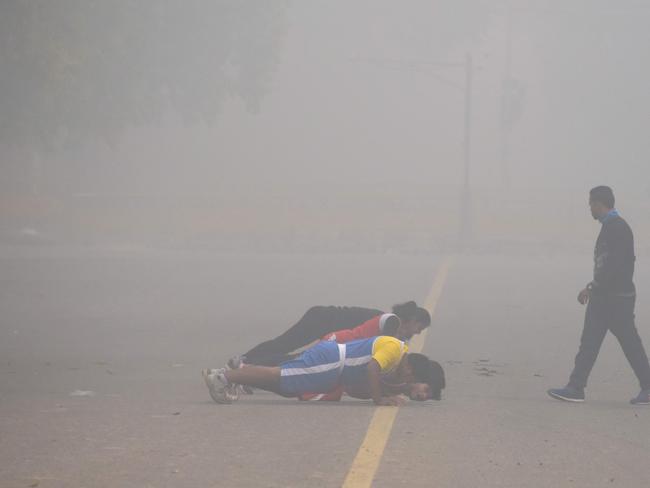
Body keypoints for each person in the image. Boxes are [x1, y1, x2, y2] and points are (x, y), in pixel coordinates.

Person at [548, 186, 650, 405]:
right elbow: (608, 264)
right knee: (590, 343)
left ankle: (648, 387)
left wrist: (593, 287)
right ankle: (576, 387)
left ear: (599, 203)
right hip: (606, 297)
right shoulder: (611, 227)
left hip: (616, 299)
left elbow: (616, 265)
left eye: (591, 204)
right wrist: (595, 287)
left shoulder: (618, 228)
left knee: (629, 344)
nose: (589, 209)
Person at [203, 336, 445, 405]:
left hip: (332, 367)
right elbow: (371, 367)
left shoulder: (397, 359)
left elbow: (356, 386)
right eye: (410, 376)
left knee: (286, 384)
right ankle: (223, 377)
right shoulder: (394, 349)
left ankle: (239, 372)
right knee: (282, 376)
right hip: (332, 362)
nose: (406, 379)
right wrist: (379, 399)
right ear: (411, 366)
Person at [232, 301, 431, 367]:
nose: (418, 332)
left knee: (292, 355)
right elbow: (386, 343)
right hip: (323, 320)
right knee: (286, 347)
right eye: (419, 327)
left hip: (331, 329)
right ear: (412, 320)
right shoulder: (390, 321)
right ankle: (245, 361)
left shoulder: (391, 325)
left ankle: (247, 364)